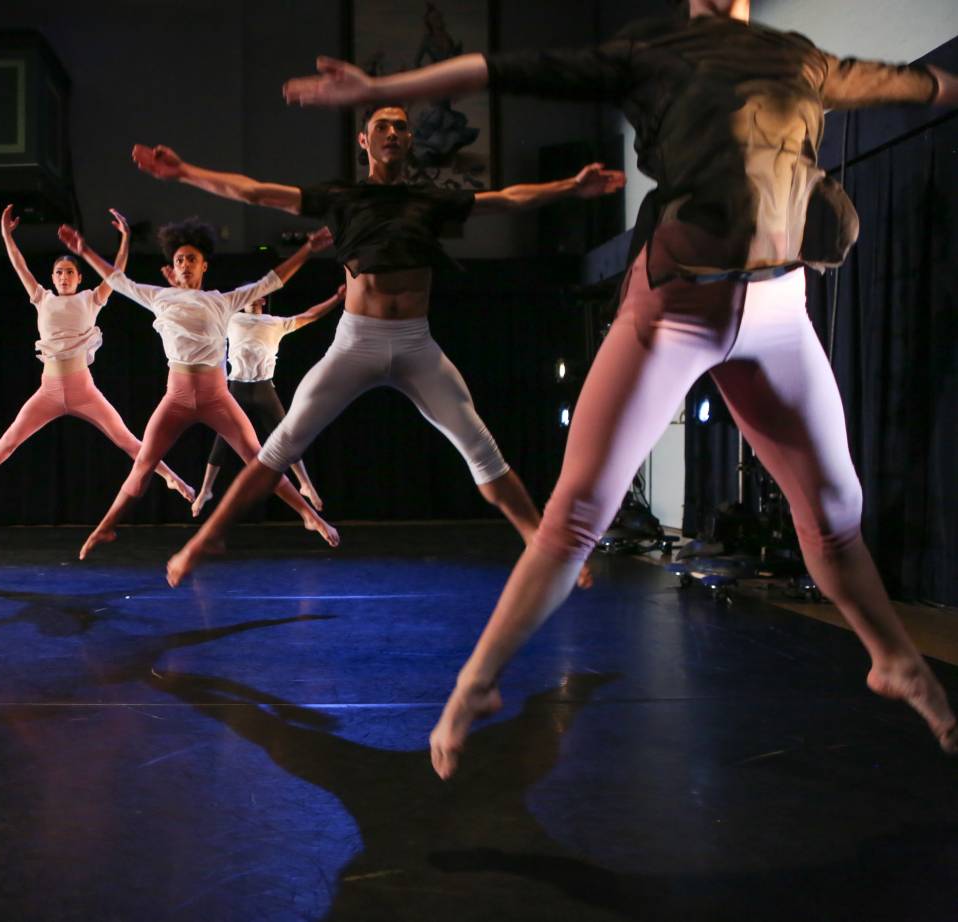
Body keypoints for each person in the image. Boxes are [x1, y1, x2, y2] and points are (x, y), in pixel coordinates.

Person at [280, 0, 958, 770]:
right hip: (675, 310)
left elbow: (915, 84)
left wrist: (942, 85)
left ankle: (893, 657)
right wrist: (379, 86)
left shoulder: (798, 58)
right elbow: (503, 68)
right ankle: (478, 680)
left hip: (778, 310)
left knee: (837, 513)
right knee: (577, 515)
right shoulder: (655, 51)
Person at [139, 111, 622, 587]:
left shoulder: (428, 199)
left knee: (482, 448)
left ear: (411, 140)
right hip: (356, 342)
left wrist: (570, 186)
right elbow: (254, 191)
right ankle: (205, 542)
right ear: (363, 142)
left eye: (401, 126)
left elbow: (506, 199)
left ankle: (544, 547)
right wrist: (185, 172)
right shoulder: (343, 197)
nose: (392, 132)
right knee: (278, 448)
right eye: (381, 127)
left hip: (416, 344)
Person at [56, 218, 339, 560]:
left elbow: (272, 280)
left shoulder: (222, 301)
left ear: (204, 265)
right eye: (179, 260)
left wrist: (308, 249)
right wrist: (83, 249)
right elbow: (117, 280)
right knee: (144, 463)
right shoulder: (158, 297)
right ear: (172, 269)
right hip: (176, 398)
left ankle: (309, 515)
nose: (185, 265)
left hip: (216, 396)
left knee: (260, 458)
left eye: (191, 259)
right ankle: (106, 526)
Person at [0, 206, 194, 505]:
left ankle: (171, 477)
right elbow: (20, 266)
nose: (64, 277)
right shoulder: (42, 298)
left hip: (83, 391)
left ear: (78, 278)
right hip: (48, 391)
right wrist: (6, 236)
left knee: (128, 440)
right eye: (59, 273)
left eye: (70, 273)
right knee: (7, 444)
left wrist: (125, 240)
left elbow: (117, 275)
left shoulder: (91, 299)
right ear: (52, 277)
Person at [191, 286, 344, 518]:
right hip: (237, 388)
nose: (251, 300)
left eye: (256, 296)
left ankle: (305, 484)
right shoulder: (231, 319)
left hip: (264, 388)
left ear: (262, 300)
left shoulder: (275, 323)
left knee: (286, 436)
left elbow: (310, 315)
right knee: (222, 439)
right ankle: (205, 491)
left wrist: (336, 297)